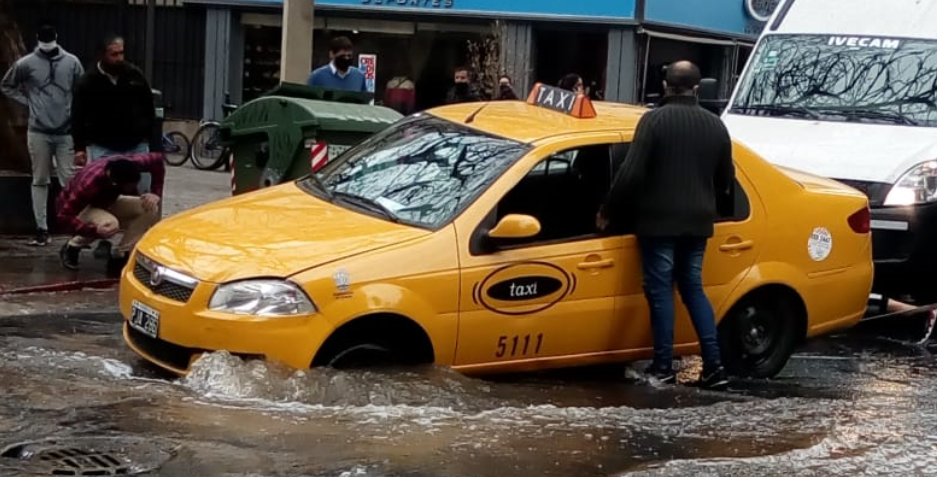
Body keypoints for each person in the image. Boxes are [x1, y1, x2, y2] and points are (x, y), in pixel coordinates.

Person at [597, 60, 734, 389]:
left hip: (658, 223)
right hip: (699, 222)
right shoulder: (716, 126)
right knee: (693, 289)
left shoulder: (653, 122)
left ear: (665, 87)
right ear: (697, 89)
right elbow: (726, 180)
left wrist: (608, 210)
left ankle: (662, 366)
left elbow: (631, 174)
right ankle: (714, 368)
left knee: (660, 293)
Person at [71, 34, 156, 259]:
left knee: (146, 198)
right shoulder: (88, 82)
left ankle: (129, 247)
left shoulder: (134, 76)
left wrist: (152, 143)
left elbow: (149, 109)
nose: (119, 58)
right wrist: (79, 147)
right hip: (104, 147)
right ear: (102, 55)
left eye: (122, 53)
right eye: (114, 54)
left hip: (136, 144)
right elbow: (77, 116)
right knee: (105, 196)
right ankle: (102, 241)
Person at [1, 24, 84, 246]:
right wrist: (29, 103)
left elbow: (81, 90)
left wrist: (73, 111)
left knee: (69, 179)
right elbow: (7, 85)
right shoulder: (26, 63)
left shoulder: (72, 62)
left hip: (64, 130)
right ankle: (42, 228)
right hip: (38, 130)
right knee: (40, 179)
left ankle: (71, 223)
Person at [56, 153, 165, 276]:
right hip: (82, 207)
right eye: (130, 187)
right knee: (110, 225)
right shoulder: (89, 184)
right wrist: (93, 231)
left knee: (150, 207)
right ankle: (72, 247)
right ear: (116, 184)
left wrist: (155, 192)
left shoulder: (132, 163)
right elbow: (63, 216)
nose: (134, 188)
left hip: (107, 200)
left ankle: (122, 255)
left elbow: (157, 160)